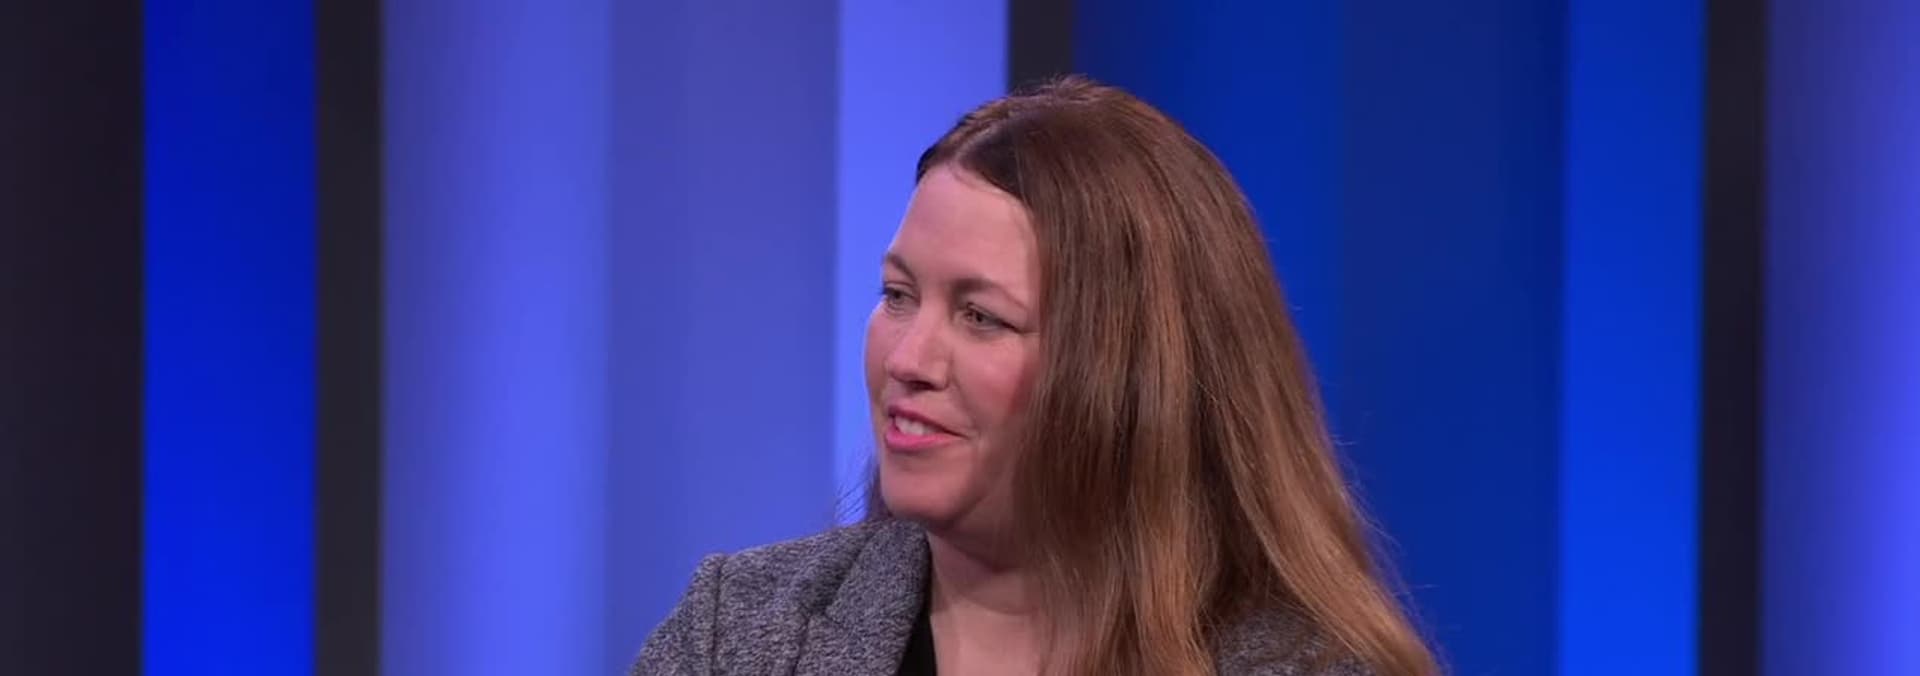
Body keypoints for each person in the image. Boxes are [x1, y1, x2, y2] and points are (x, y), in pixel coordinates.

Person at [631, 76, 1437, 676]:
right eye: (899, 295)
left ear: (1130, 376)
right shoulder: (739, 634)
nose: (907, 360)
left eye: (981, 316)